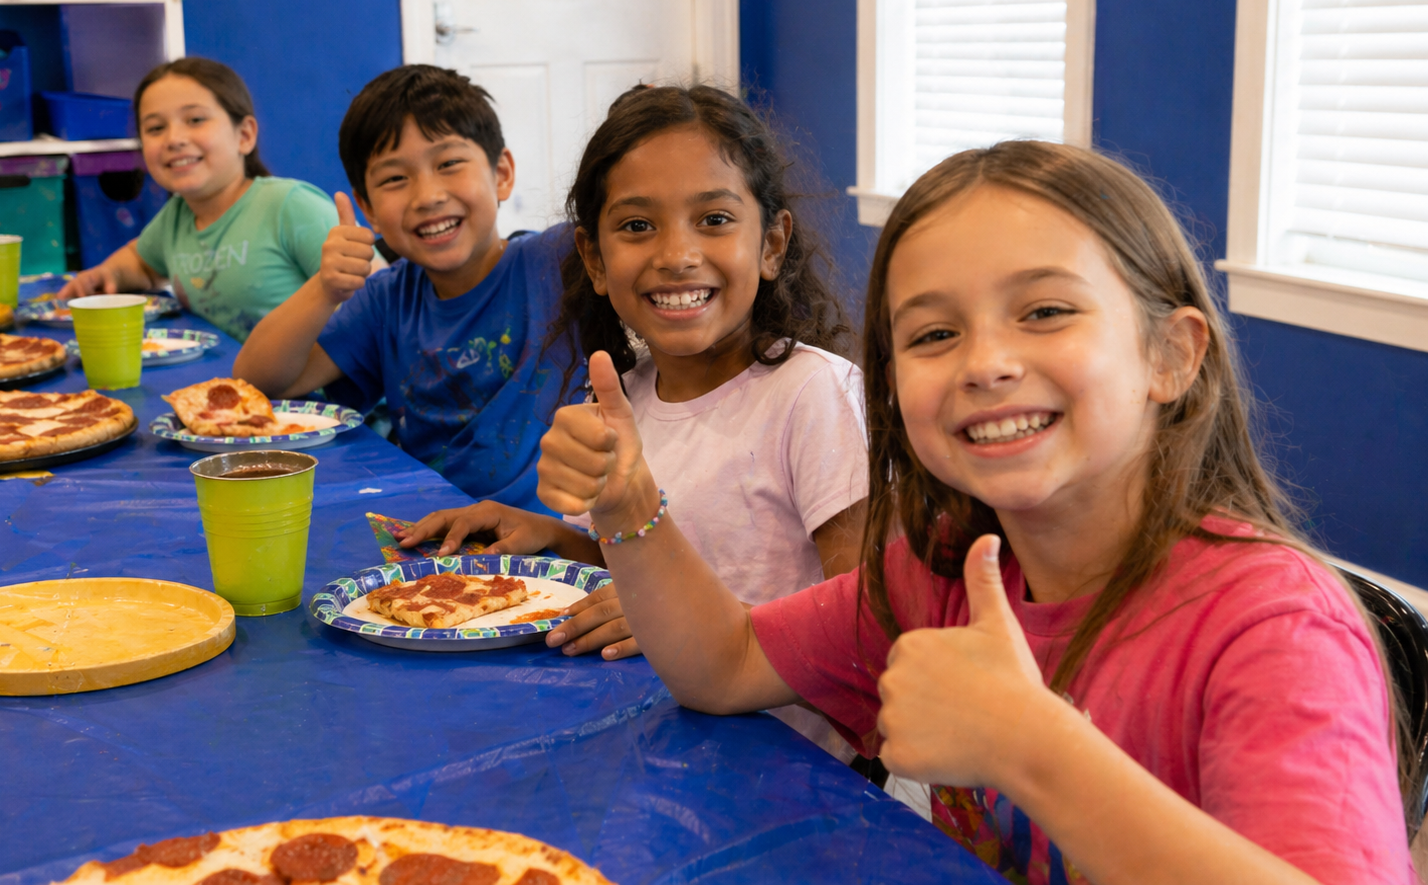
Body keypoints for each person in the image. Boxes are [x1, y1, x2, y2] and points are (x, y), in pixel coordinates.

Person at [534, 140, 1415, 884]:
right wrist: (630, 508)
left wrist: (1033, 749)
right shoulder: (942, 566)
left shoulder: (1274, 628)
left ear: (1172, 356)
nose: (986, 361)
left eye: (1045, 311)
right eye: (932, 334)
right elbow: (721, 667)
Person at [400, 84, 868, 656]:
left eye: (715, 218)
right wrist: (553, 536)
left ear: (771, 244)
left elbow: (863, 630)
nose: (676, 255)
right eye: (638, 226)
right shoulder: (628, 401)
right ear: (594, 259)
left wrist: (675, 617)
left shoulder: (817, 393)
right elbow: (644, 565)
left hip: (781, 740)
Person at [234, 65, 581, 514]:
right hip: (434, 543)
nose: (427, 195)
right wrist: (324, 289)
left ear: (501, 173)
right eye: (395, 178)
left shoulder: (559, 262)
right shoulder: (385, 300)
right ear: (368, 210)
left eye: (449, 164)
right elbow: (257, 380)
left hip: (556, 549)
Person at [58, 58, 339, 341]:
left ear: (244, 135)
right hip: (223, 381)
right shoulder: (175, 218)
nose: (174, 138)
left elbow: (371, 296)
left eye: (195, 120)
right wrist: (109, 274)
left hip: (305, 384)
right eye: (156, 128)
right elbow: (142, 263)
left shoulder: (290, 206)